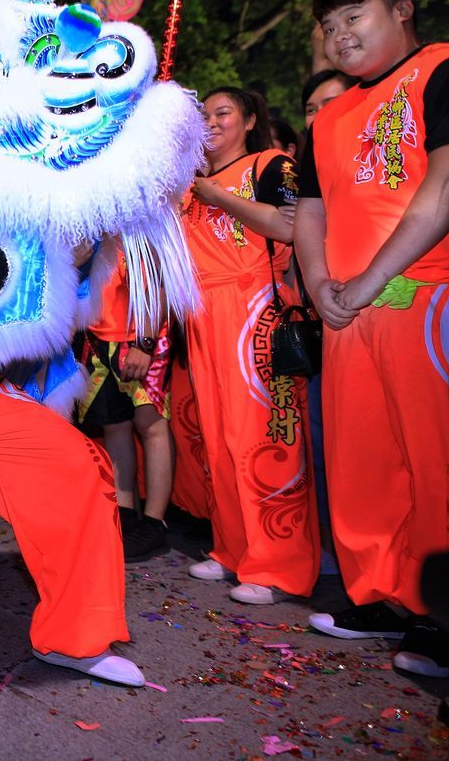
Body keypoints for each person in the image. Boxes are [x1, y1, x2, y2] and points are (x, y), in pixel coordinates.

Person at [294, 0, 449, 675]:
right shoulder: (330, 114)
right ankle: (375, 591)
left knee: (435, 465)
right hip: (345, 312)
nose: (340, 37)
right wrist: (318, 283)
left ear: (403, 9)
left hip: (421, 301)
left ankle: (442, 613)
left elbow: (446, 182)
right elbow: (309, 209)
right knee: (361, 459)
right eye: (330, 27)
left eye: (355, 18)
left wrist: (369, 279)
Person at [179, 86, 319, 605]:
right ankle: (234, 549)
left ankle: (280, 565)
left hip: (255, 306)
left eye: (223, 114)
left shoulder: (271, 163)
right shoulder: (191, 185)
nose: (211, 124)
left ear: (250, 119)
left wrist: (221, 199)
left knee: (262, 436)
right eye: (203, 117)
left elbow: (289, 225)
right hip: (203, 314)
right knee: (216, 438)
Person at [75, 248, 174, 561]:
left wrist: (145, 344)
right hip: (99, 336)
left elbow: (158, 283)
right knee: (114, 425)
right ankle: (125, 512)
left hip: (140, 338)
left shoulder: (143, 221)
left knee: (151, 424)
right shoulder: (93, 223)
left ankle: (155, 523)